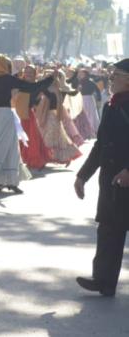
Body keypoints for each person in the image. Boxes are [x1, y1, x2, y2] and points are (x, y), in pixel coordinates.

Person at [75, 58, 129, 297]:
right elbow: (101, 144)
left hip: (126, 175)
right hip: (111, 179)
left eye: (115, 75)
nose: (111, 80)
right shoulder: (111, 105)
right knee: (108, 229)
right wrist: (82, 175)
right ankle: (103, 280)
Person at [0, 55, 53, 193]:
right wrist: (50, 79)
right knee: (8, 146)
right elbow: (31, 87)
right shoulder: (6, 78)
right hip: (4, 115)